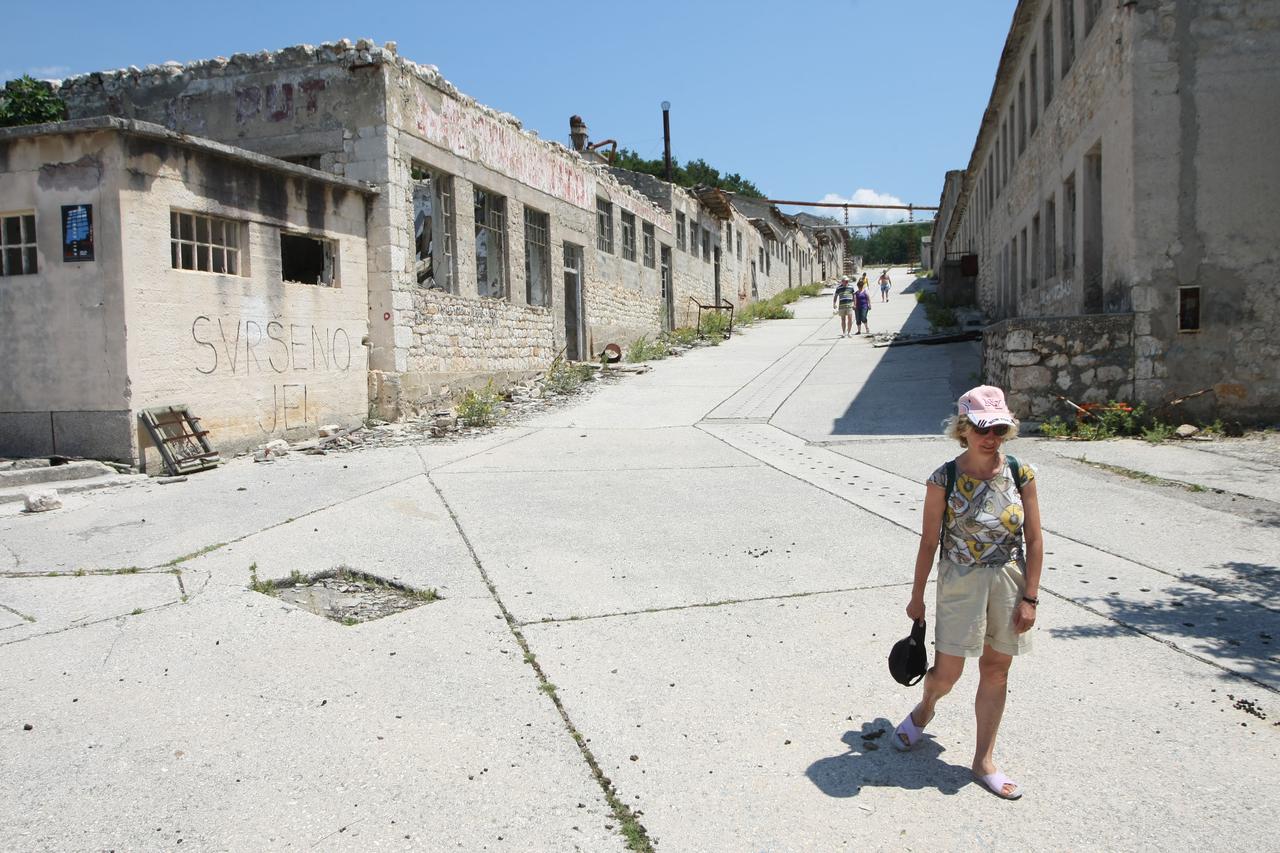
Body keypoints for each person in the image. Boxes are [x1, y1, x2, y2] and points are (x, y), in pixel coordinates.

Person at [894, 385, 1043, 801]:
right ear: (964, 428)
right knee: (947, 674)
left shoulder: (1020, 472)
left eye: (998, 427)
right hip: (960, 581)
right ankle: (925, 708)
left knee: (997, 671)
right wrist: (917, 596)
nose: (990, 436)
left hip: (1009, 581)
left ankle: (983, 760)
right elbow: (928, 542)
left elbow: (1034, 537)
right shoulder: (944, 477)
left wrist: (1030, 596)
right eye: (981, 428)